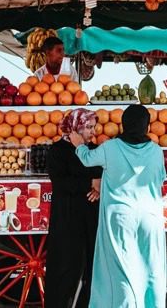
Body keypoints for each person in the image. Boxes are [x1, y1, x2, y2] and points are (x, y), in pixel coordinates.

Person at [72, 104, 167, 308]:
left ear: (123, 125)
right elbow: (160, 179)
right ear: (147, 127)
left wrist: (78, 144)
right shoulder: (156, 151)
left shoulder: (110, 147)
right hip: (150, 218)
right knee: (150, 267)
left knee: (121, 270)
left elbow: (87, 160)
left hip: (119, 219)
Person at [45, 108, 101, 308]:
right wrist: (91, 183)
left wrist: (98, 185)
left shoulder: (94, 149)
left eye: (93, 127)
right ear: (75, 128)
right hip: (67, 218)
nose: (92, 132)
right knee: (65, 267)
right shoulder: (57, 151)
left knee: (91, 266)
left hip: (90, 217)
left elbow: (100, 175)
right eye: (88, 127)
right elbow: (61, 183)